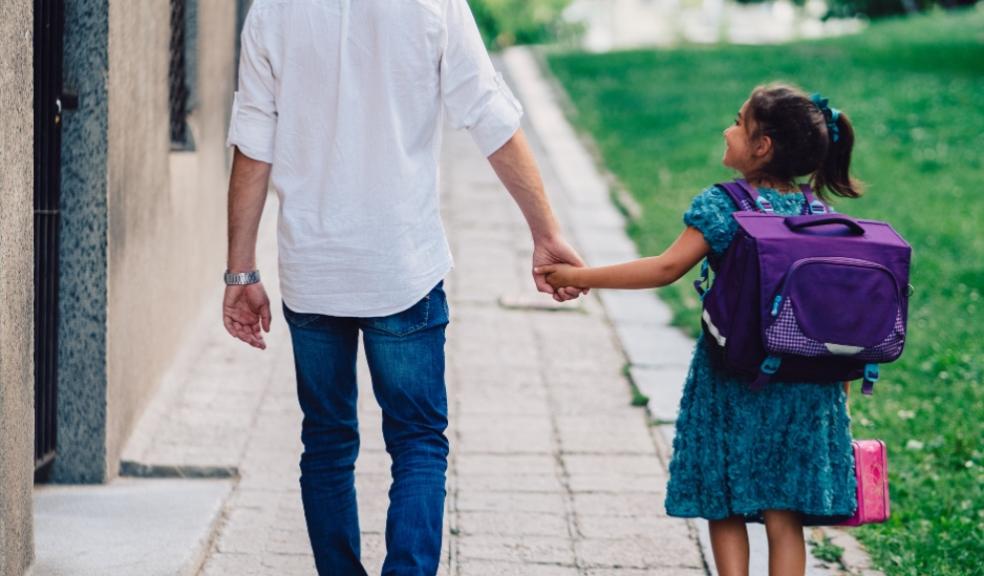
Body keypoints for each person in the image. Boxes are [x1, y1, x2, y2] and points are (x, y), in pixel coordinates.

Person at [220, 0, 586, 574]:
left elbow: (253, 140)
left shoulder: (272, 9)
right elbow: (488, 112)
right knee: (417, 442)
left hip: (314, 269)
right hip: (401, 265)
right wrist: (546, 232)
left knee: (327, 442)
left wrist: (241, 271)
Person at [536, 83, 861, 576]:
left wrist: (580, 278)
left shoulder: (723, 204)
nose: (727, 130)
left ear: (762, 145)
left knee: (724, 497)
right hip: (804, 384)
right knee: (784, 513)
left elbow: (665, 269)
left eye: (738, 121)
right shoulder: (819, 215)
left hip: (732, 378)